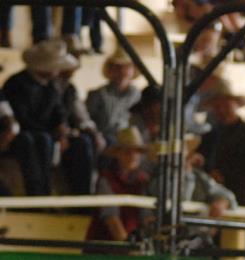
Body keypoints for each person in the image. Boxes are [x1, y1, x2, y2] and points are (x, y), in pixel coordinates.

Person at [4, 39, 94, 196]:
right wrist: (52, 132)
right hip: (26, 134)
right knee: (40, 141)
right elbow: (21, 117)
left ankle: (82, 195)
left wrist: (61, 127)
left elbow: (58, 110)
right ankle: (39, 194)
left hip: (46, 133)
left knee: (82, 142)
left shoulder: (51, 84)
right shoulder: (16, 83)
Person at [196, 76, 245, 208]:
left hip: (243, 198)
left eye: (225, 104)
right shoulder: (209, 137)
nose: (221, 110)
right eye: (217, 106)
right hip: (212, 199)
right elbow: (200, 164)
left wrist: (224, 175)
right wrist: (210, 173)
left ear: (236, 104)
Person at [86, 126, 149, 242]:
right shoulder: (106, 180)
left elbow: (146, 217)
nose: (133, 155)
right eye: (127, 151)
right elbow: (112, 220)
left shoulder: (142, 181)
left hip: (128, 245)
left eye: (136, 152)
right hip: (104, 247)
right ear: (118, 154)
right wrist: (128, 247)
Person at [85, 51, 141, 147]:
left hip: (131, 140)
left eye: (126, 67)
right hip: (105, 139)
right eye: (118, 67)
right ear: (110, 70)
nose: (122, 71)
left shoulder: (138, 95)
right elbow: (87, 121)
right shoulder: (97, 94)